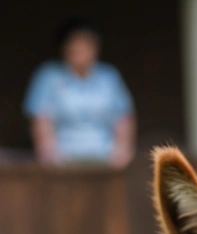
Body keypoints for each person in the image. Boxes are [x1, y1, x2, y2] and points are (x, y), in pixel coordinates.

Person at [25, 20, 134, 168]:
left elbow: (123, 116)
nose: (80, 50)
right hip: (63, 156)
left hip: (105, 154)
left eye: (86, 45)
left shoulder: (109, 76)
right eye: (74, 44)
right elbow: (40, 117)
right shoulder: (49, 76)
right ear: (64, 47)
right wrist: (47, 150)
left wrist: (123, 149)